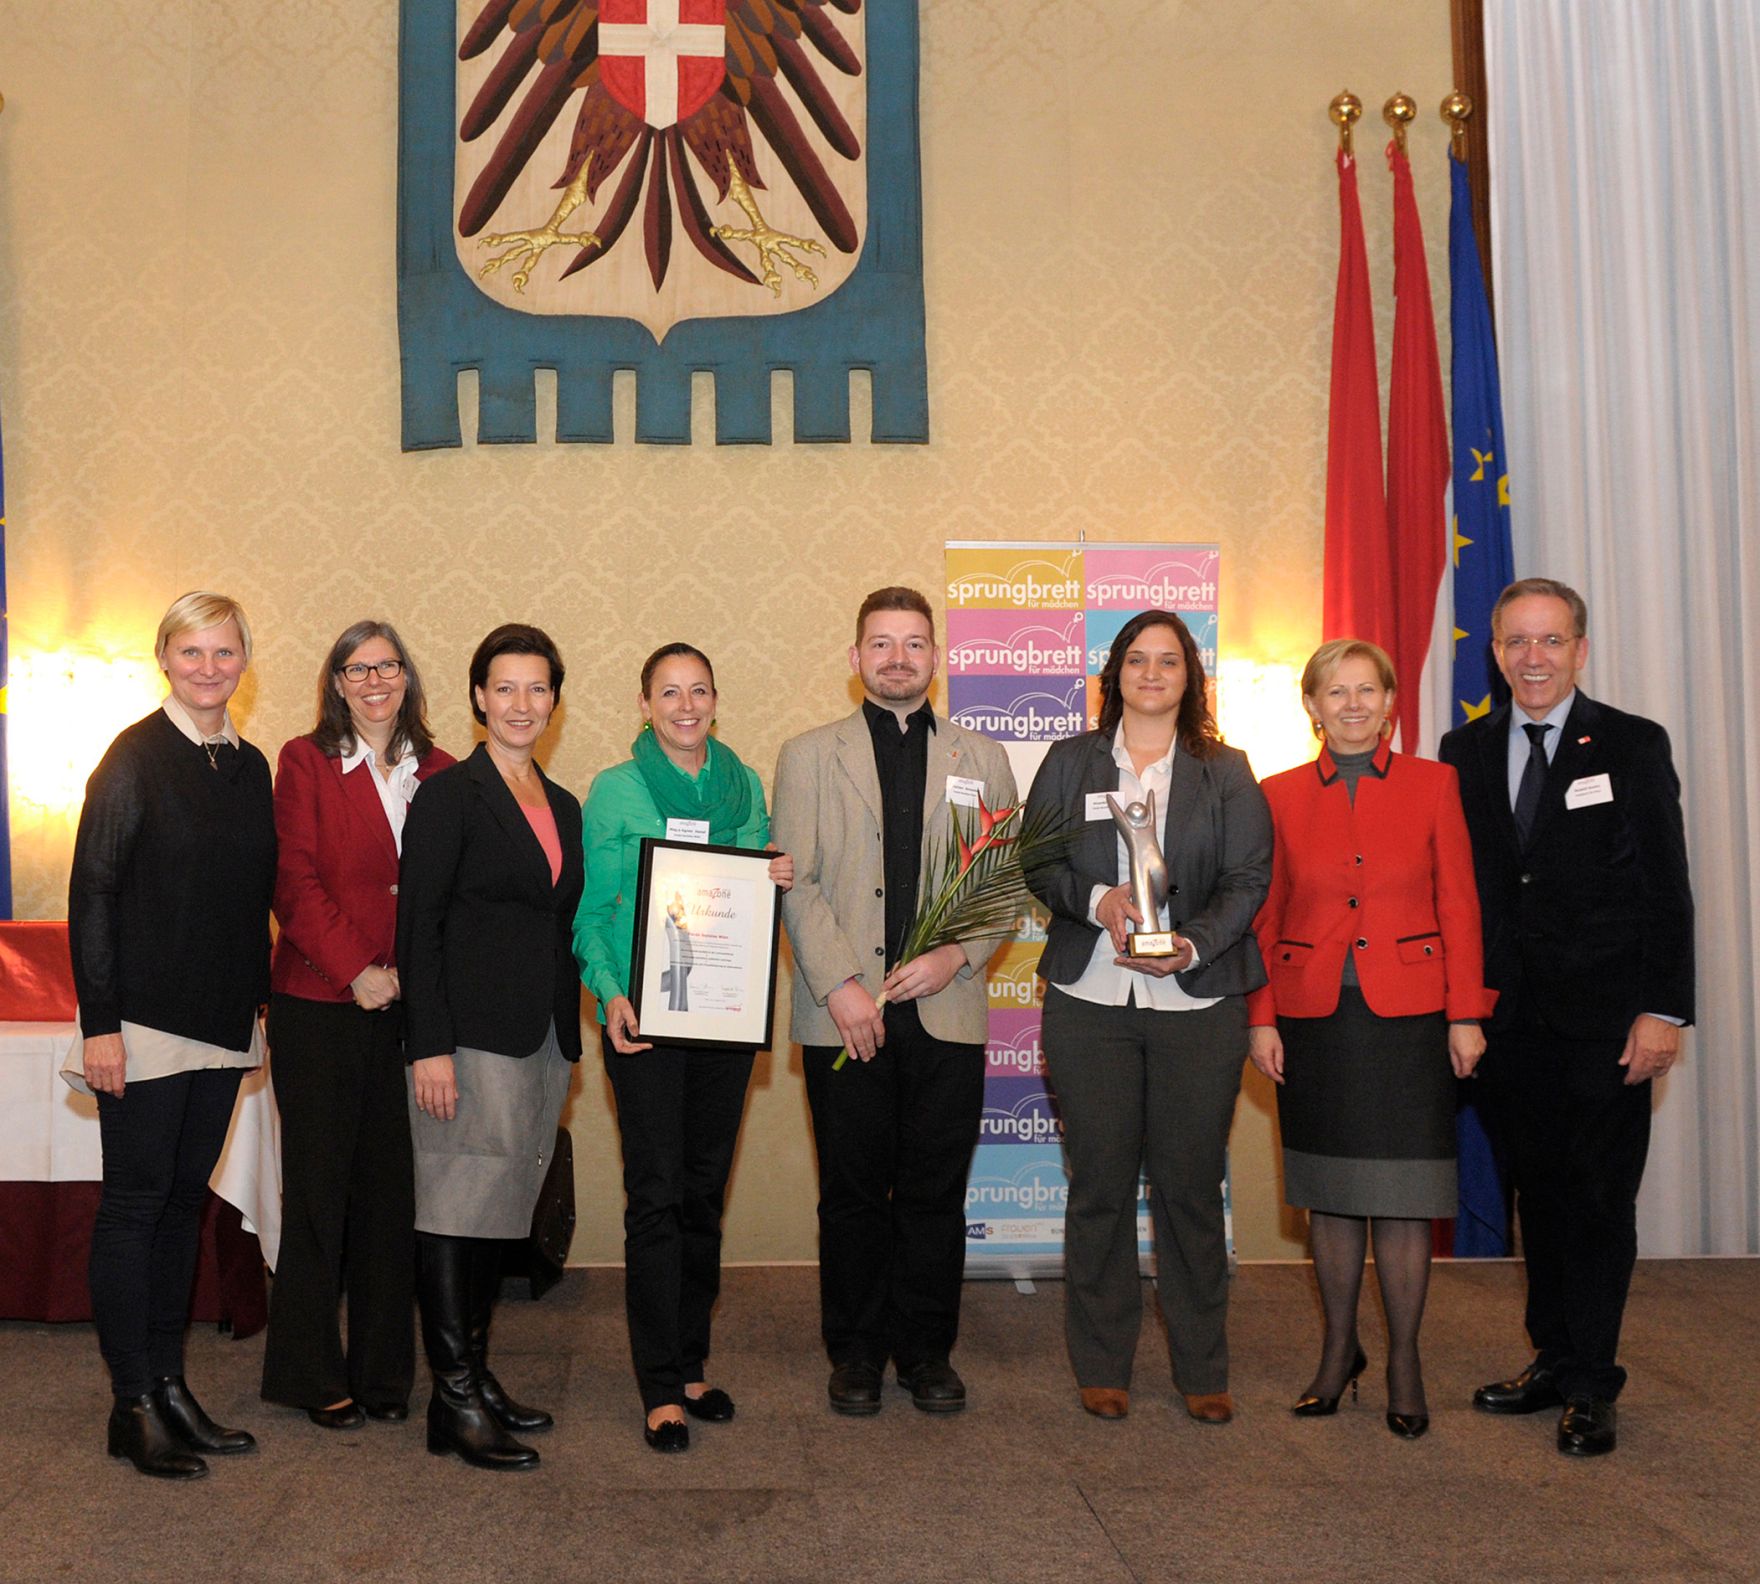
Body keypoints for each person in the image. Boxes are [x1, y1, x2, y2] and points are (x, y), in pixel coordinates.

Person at [1439, 578, 1693, 1458]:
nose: (1533, 657)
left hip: (1607, 1024)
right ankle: (1552, 1359)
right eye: (1517, 641)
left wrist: (1663, 1010)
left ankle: (1592, 1382)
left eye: (1551, 640)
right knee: (1537, 1199)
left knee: (1597, 1203)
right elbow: (1466, 888)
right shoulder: (1463, 749)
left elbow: (1666, 887)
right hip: (1508, 1025)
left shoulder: (1630, 743)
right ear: (1496, 653)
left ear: (1580, 650)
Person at [771, 587, 1016, 1416]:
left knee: (933, 1193)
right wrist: (839, 984)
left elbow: (1000, 879)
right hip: (844, 1011)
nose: (898, 658)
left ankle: (926, 1352)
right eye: (881, 643)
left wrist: (957, 956)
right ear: (856, 658)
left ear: (935, 659)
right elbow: (796, 881)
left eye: (914, 643)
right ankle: (855, 1352)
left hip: (947, 1007)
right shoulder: (809, 755)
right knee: (850, 1192)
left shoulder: (983, 758)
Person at [1023, 609, 1271, 1425]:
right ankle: (1103, 1365)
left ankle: (1202, 1368)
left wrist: (1192, 945)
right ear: (1116, 673)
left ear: (1190, 676)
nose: (1153, 673)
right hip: (1090, 1003)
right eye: (1138, 659)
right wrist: (1098, 899)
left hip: (1197, 1005)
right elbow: (1037, 860)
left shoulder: (1225, 770)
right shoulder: (1071, 762)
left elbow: (1248, 879)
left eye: (1169, 660)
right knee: (1098, 1186)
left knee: (1190, 1189)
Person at [1246, 639, 1494, 1439]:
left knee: (1404, 1197)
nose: (1352, 705)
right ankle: (1337, 1352)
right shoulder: (1278, 794)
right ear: (1311, 706)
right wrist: (1260, 1016)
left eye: (1366, 690)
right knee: (1330, 1194)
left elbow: (1460, 903)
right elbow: (1265, 917)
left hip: (1414, 1019)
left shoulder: (1434, 784)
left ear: (1390, 702)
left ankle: (1405, 1362)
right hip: (1314, 1019)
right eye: (1335, 692)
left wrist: (1466, 1013)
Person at [66, 591, 275, 1479]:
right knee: (135, 1207)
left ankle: (169, 1385)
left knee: (184, 1206)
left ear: (243, 662)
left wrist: (260, 1002)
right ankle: (132, 1403)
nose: (208, 668)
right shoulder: (133, 757)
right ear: (164, 658)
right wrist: (101, 1027)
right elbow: (93, 892)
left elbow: (251, 896)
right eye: (191, 652)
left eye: (224, 652)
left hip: (225, 1024)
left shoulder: (250, 765)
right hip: (144, 1024)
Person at [574, 643, 794, 1452]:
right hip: (646, 1021)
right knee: (657, 1195)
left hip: (723, 1020)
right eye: (669, 692)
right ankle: (660, 1385)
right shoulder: (616, 790)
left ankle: (692, 1362)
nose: (686, 705)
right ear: (645, 704)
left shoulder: (743, 786)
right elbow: (592, 912)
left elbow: (752, 892)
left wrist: (774, 875)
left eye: (699, 690)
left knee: (703, 1195)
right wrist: (610, 992)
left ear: (715, 700)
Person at [396, 624, 584, 1471]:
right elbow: (419, 927)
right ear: (478, 697)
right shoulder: (448, 795)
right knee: (454, 1211)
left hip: (542, 1039)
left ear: (554, 701)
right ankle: (454, 1397)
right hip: (467, 1042)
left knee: (499, 1212)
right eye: (504, 687)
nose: (521, 704)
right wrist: (428, 1047)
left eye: (537, 688)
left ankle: (475, 1372)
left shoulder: (563, 803)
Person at [260, 621, 455, 1429]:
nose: (374, 681)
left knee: (390, 1198)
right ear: (336, 682)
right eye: (356, 668)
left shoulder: (442, 771)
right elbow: (293, 881)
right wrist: (358, 970)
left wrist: (421, 982)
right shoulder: (304, 762)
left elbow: (451, 891)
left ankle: (383, 1376)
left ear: (407, 676)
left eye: (387, 666)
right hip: (321, 1007)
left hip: (410, 1011)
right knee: (319, 1195)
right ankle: (309, 1374)